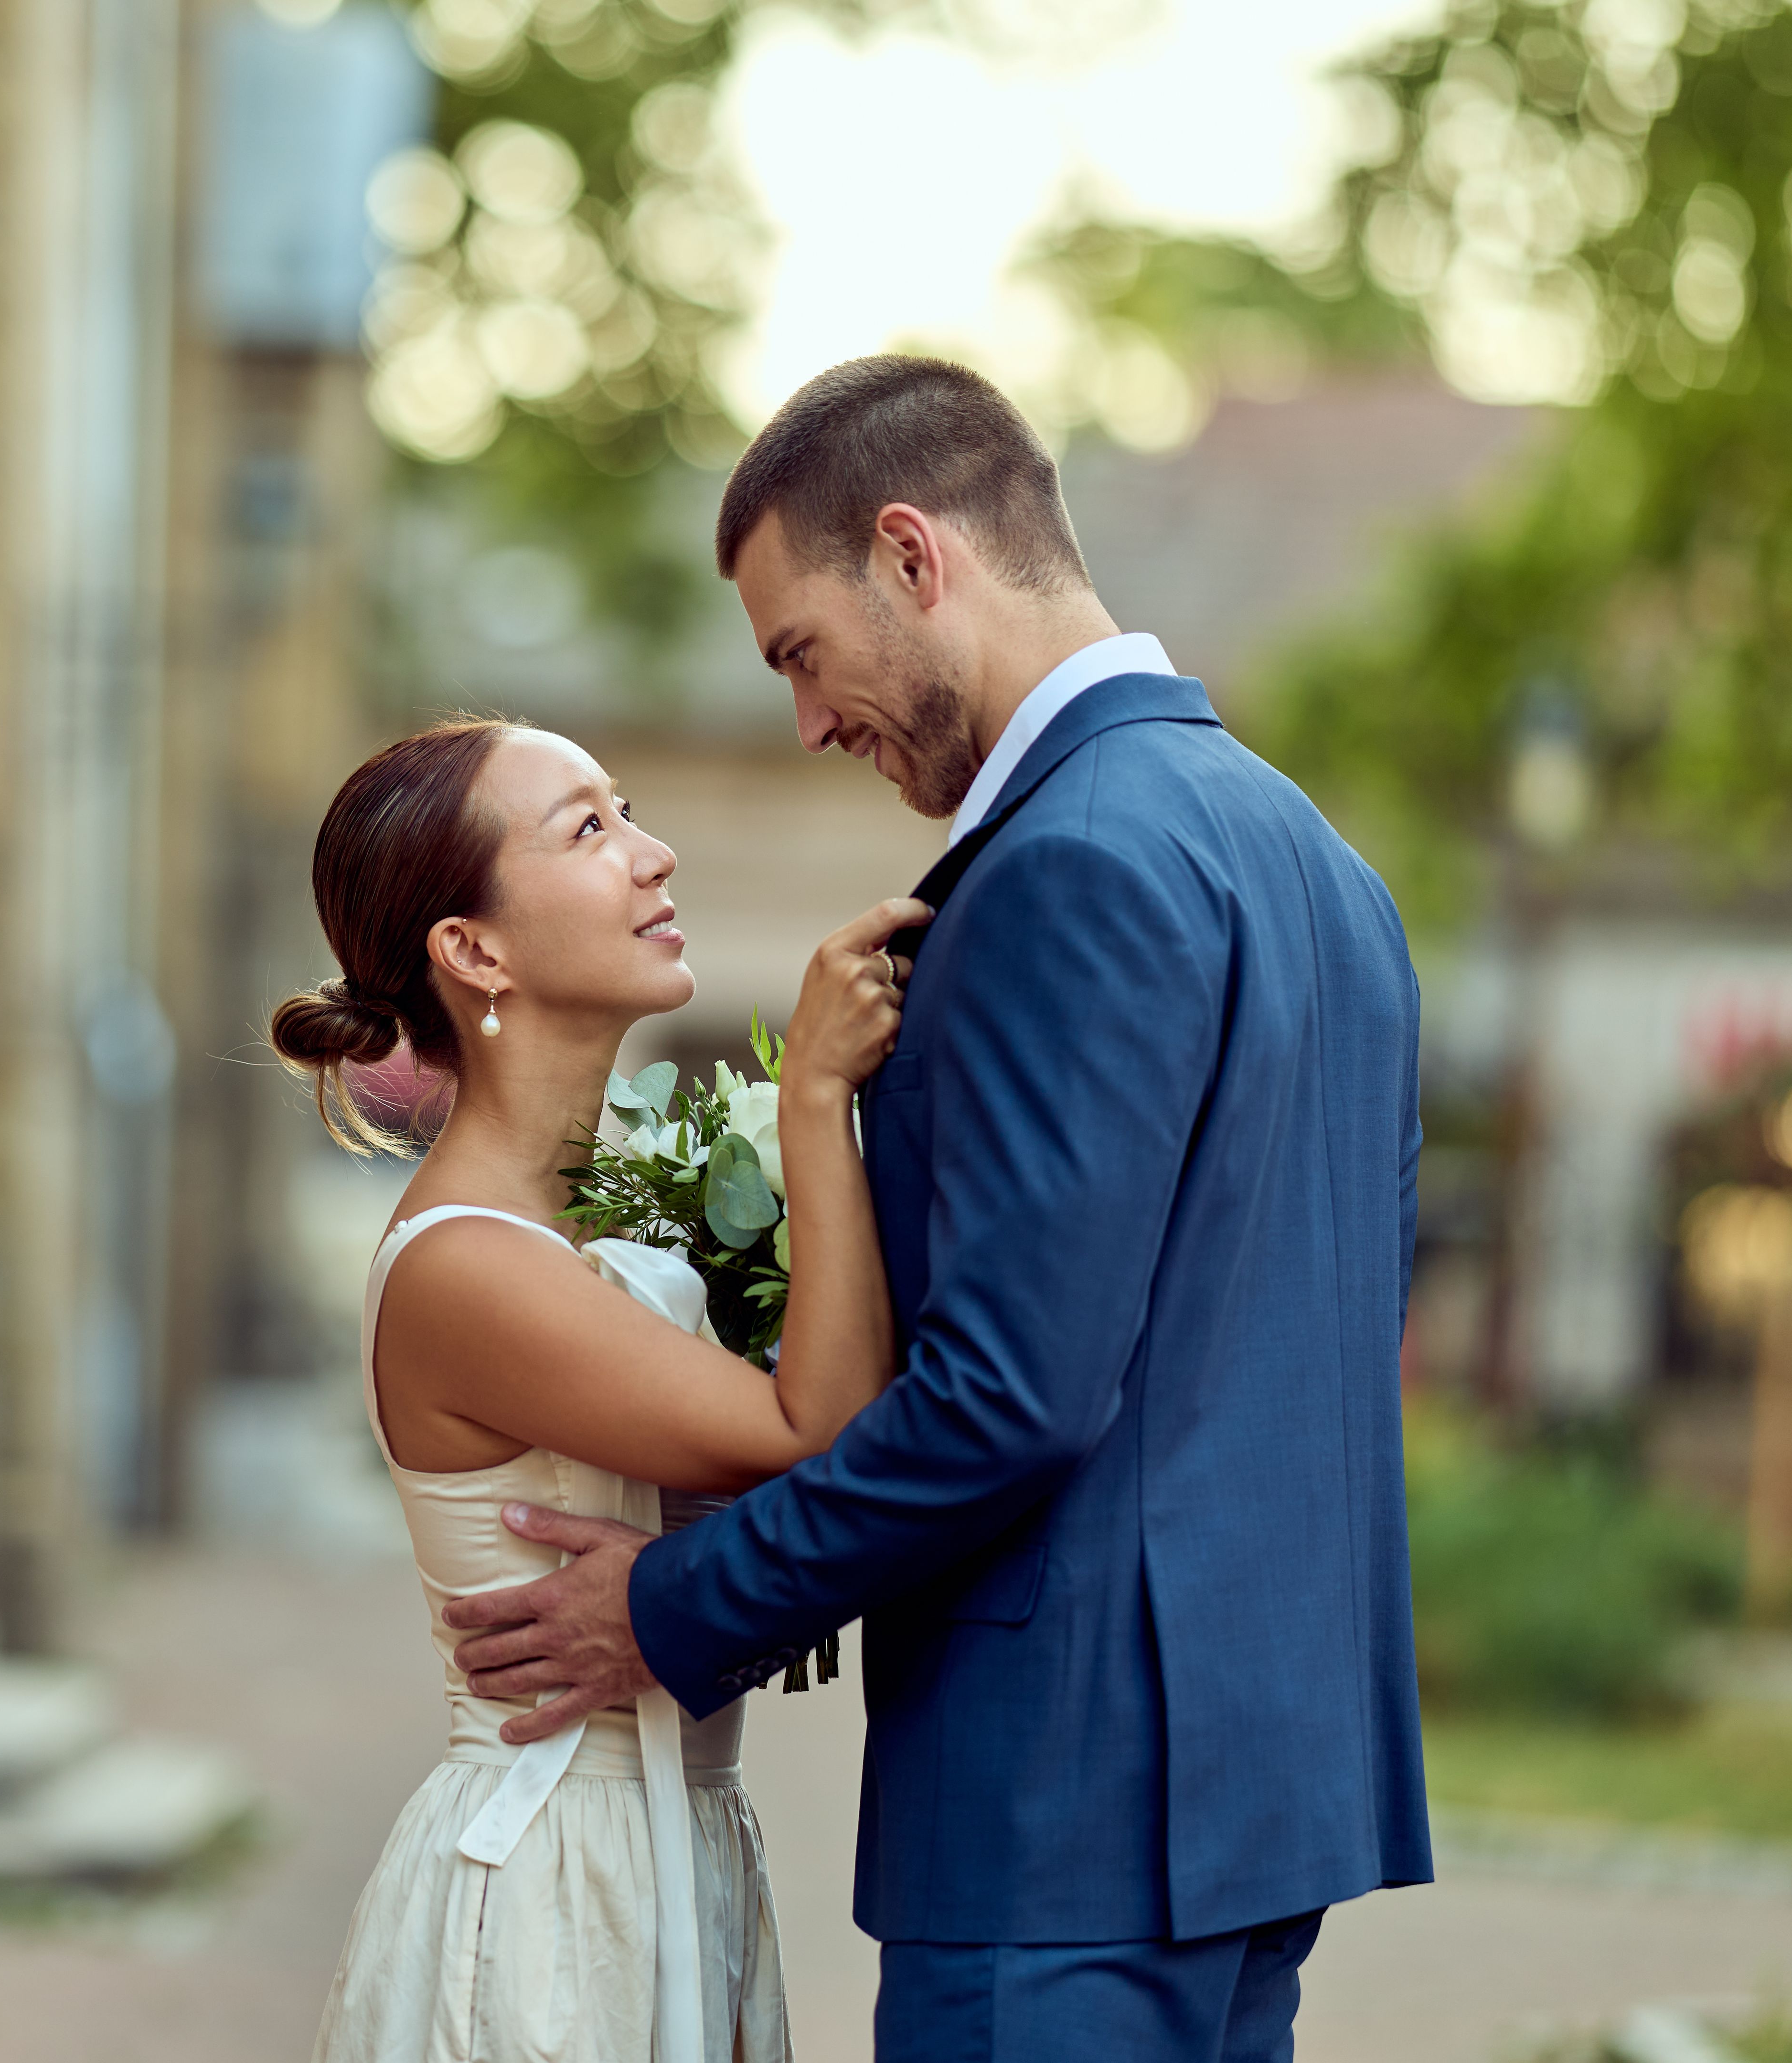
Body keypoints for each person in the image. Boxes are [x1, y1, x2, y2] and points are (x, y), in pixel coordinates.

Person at [437, 355, 1435, 2063]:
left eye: (799, 654)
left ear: (913, 555)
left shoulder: (1068, 869)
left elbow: (1013, 1395)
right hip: (1258, 1806)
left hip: (1068, 1813)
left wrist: (676, 1607)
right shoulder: (1317, 863)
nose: (810, 723)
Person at [269, 715, 928, 2063]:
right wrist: (811, 1099)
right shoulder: (466, 1265)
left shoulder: (608, 1219)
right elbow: (821, 1436)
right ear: (474, 949)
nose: (653, 853)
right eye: (589, 829)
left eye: (627, 813)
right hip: (557, 1892)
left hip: (684, 1843)